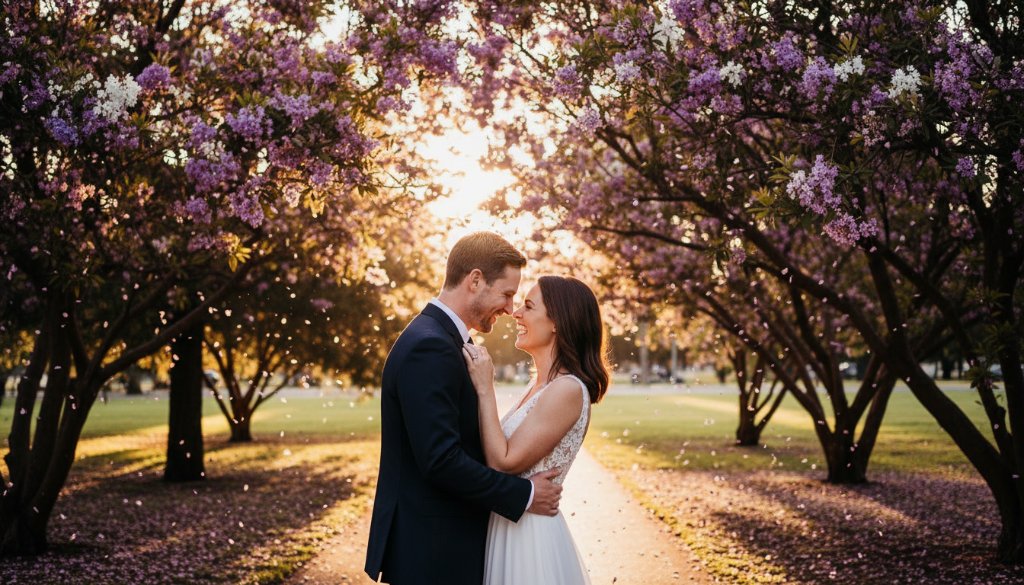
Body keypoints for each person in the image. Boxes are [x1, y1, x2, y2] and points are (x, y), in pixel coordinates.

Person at [364, 232, 564, 585]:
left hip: (442, 546)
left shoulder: (442, 339)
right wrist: (526, 494)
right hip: (433, 552)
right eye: (506, 294)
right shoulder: (430, 346)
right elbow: (440, 460)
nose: (508, 308)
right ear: (475, 281)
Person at [462, 275, 610, 585]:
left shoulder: (567, 390)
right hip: (510, 525)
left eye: (528, 306)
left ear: (558, 322)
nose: (515, 313)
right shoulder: (539, 386)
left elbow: (503, 461)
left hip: (530, 538)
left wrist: (485, 386)